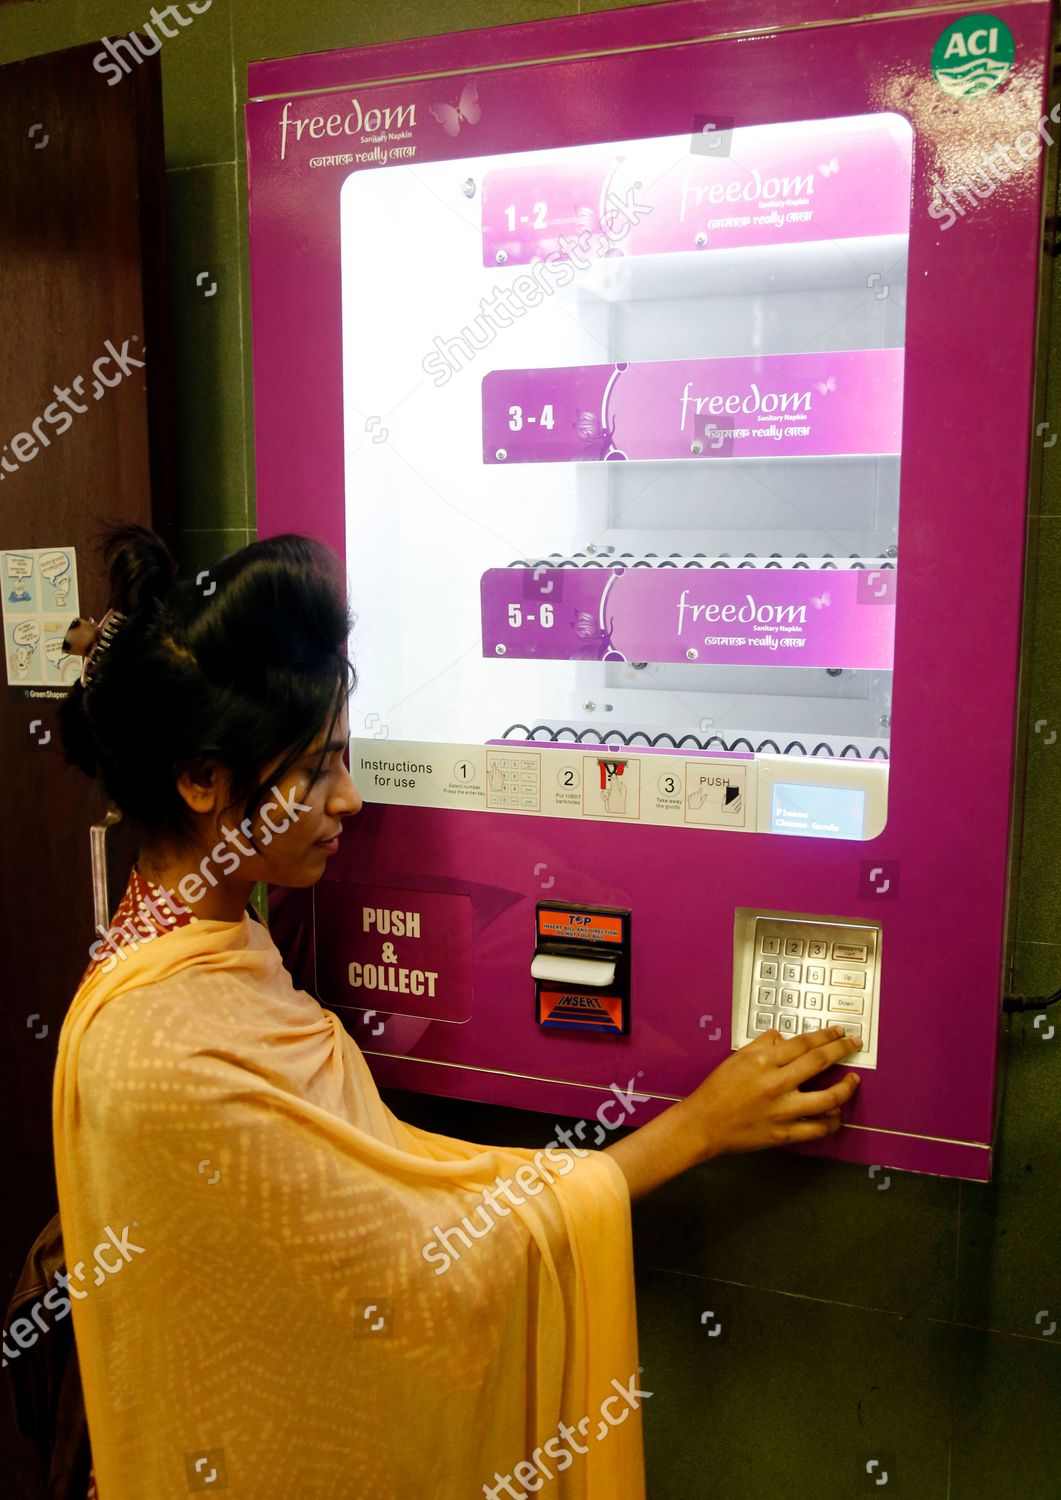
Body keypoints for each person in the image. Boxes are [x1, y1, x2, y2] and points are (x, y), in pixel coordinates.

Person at [53, 525, 861, 1499]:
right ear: (200, 780)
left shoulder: (211, 941)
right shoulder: (158, 1048)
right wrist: (697, 1129)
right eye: (314, 770)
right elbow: (409, 1267)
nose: (348, 799)